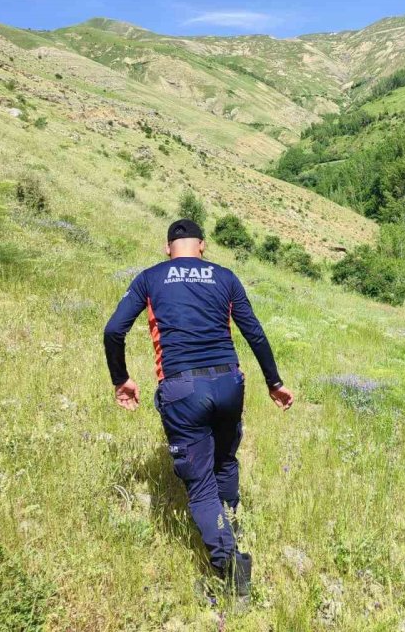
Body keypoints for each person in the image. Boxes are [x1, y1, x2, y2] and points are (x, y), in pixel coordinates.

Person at [103, 219, 294, 599]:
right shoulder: (224, 277)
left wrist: (121, 378)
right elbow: (253, 331)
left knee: (202, 485)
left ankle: (230, 574)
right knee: (225, 462)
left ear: (167, 248)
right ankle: (231, 525)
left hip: (182, 387)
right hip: (229, 382)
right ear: (202, 246)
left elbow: (113, 330)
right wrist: (274, 382)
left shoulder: (150, 278)